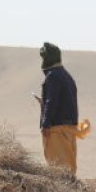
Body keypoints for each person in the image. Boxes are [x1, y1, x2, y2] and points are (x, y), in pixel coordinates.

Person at [34, 43, 81, 175]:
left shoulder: (53, 76)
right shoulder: (66, 75)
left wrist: (46, 123)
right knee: (68, 166)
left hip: (57, 129)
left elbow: (52, 101)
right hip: (69, 127)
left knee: (60, 168)